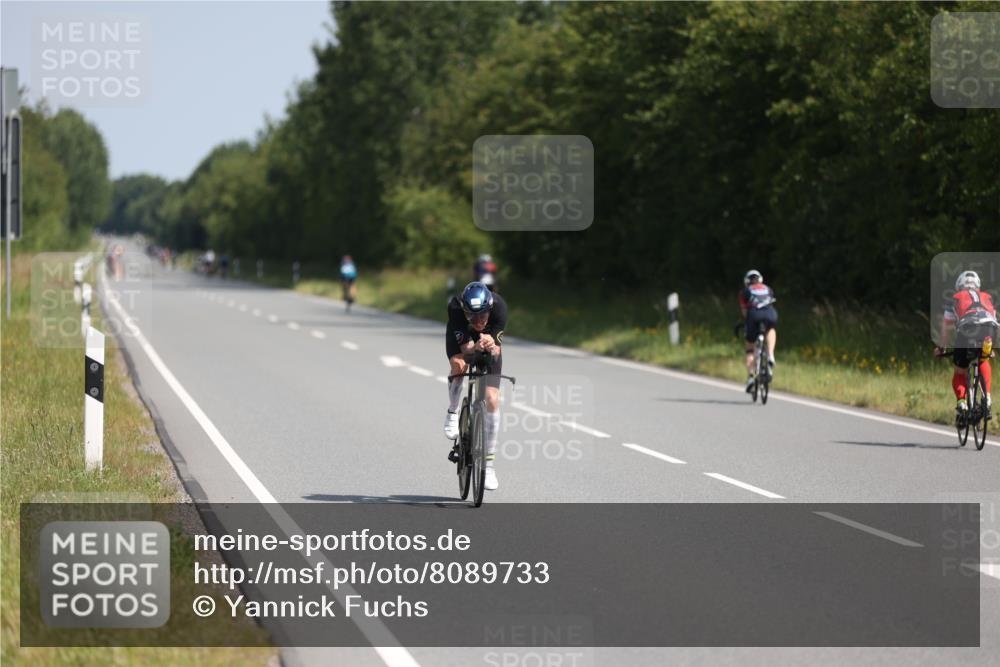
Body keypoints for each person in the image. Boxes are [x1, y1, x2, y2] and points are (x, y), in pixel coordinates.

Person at [444, 281, 507, 491]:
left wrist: (491, 345)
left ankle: (488, 466)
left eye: (482, 316)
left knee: (492, 398)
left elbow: (496, 352)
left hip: (489, 342)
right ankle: (453, 412)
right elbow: (467, 352)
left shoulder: (499, 307)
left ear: (490, 309)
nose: (478, 321)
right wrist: (475, 346)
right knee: (459, 364)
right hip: (464, 341)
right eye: (472, 316)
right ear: (464, 310)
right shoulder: (455, 308)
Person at [935, 270, 997, 416]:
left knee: (960, 370)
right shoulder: (987, 297)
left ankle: (962, 403)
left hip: (967, 330)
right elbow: (995, 322)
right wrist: (993, 346)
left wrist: (942, 348)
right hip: (989, 330)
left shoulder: (955, 298)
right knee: (983, 359)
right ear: (978, 285)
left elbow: (947, 328)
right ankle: (987, 397)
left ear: (959, 286)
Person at [739, 269, 778, 392]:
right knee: (770, 329)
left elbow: (745, 312)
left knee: (750, 347)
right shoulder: (768, 288)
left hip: (754, 315)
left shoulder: (745, 291)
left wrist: (746, 323)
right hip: (770, 313)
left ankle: (751, 377)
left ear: (747, 281)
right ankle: (771, 354)